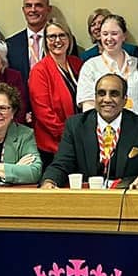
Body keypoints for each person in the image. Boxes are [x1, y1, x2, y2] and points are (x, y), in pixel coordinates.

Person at [41, 73, 138, 189]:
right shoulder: (75, 125)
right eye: (101, 93)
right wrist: (49, 182)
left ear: (124, 100)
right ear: (95, 98)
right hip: (87, 199)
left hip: (126, 200)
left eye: (114, 94)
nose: (107, 99)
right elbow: (60, 165)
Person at [28, 19, 84, 167]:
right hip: (54, 144)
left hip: (81, 140)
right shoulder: (39, 71)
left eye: (62, 35)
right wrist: (68, 136)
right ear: (46, 41)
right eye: (52, 36)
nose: (57, 40)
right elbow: (43, 113)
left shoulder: (77, 64)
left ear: (69, 38)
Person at [76, 14, 138, 115]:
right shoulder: (90, 66)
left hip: (137, 122)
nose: (109, 38)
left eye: (114, 33)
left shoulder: (137, 64)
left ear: (124, 36)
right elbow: (88, 107)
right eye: (105, 34)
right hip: (104, 124)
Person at [7, 0, 52, 85]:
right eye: (28, 6)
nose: (33, 10)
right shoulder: (10, 44)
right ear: (23, 10)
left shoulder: (61, 41)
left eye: (38, 5)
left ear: (48, 9)